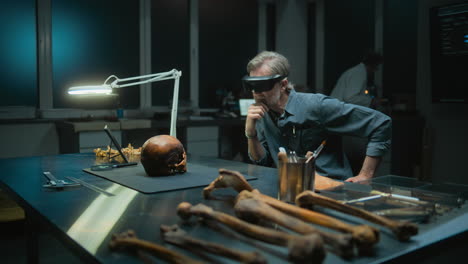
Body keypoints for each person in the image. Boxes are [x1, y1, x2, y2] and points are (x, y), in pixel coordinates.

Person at [242, 51, 391, 182]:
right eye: (251, 86)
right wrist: (251, 134)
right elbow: (262, 161)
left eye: (262, 85)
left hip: (331, 190)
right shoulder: (263, 112)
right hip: (292, 188)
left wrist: (366, 175)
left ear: (282, 85)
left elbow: (380, 123)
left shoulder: (316, 106)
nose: (256, 93)